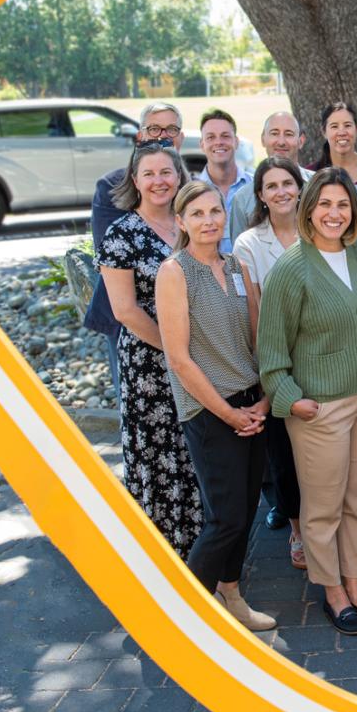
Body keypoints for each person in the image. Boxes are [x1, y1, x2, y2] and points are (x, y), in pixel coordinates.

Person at [257, 167, 357, 637]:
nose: (334, 213)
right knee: (324, 507)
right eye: (324, 204)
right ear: (308, 210)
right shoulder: (290, 269)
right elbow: (271, 351)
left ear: (352, 210)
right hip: (321, 408)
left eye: (342, 204)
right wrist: (292, 400)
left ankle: (356, 586)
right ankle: (333, 592)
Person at [155, 180, 276, 632]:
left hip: (251, 405)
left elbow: (259, 339)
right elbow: (179, 358)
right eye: (198, 214)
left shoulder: (239, 266)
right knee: (224, 518)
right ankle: (181, 620)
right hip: (209, 411)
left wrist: (263, 400)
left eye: (215, 211)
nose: (209, 221)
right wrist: (228, 414)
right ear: (181, 222)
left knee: (245, 513)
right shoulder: (174, 272)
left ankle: (232, 598)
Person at [97, 142, 201, 558]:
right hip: (149, 363)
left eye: (166, 172)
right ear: (135, 181)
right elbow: (125, 311)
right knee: (159, 456)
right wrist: (177, 351)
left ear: (179, 176)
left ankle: (202, 556)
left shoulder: (191, 225)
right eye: (149, 174)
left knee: (194, 453)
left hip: (196, 359)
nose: (159, 181)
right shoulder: (121, 235)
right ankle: (163, 559)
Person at [234, 156, 307, 570]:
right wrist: (273, 369)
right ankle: (298, 531)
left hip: (321, 357)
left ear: (299, 186)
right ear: (260, 195)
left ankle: (325, 528)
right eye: (271, 186)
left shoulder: (317, 231)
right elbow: (257, 312)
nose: (281, 191)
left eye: (287, 183)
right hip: (277, 361)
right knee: (284, 453)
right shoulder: (249, 243)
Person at [86, 102, 184, 392]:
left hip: (188, 334)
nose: (163, 136)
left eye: (171, 129)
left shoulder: (186, 188)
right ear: (140, 135)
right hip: (136, 330)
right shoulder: (111, 187)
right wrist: (175, 350)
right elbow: (117, 259)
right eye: (154, 128)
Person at [228, 111, 314, 238]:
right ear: (263, 139)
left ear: (301, 141)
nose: (281, 141)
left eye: (289, 134)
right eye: (274, 133)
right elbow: (240, 253)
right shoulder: (242, 199)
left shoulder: (319, 185)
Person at [196, 108, 252, 251]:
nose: (218, 142)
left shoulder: (255, 186)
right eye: (211, 137)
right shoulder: (191, 193)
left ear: (236, 142)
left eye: (225, 136)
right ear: (202, 145)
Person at [311, 102, 357, 196]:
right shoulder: (312, 173)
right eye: (334, 126)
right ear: (324, 132)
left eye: (347, 125)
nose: (342, 132)